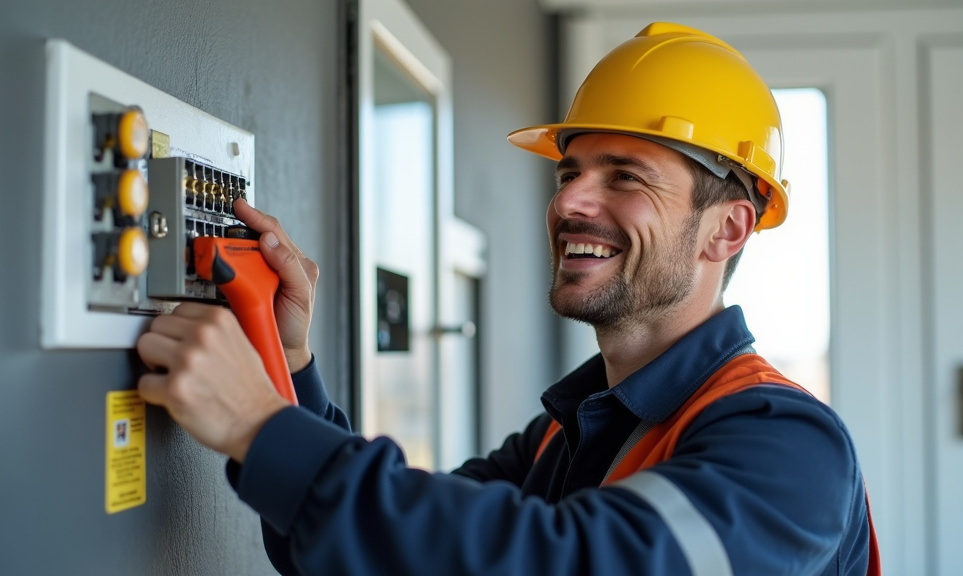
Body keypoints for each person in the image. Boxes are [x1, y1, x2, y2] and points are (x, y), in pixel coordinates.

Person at [137, 22, 880, 576]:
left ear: (726, 230)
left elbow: (576, 564)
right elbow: (354, 545)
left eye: (625, 175)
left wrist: (261, 428)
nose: (570, 202)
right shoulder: (565, 439)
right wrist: (284, 360)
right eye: (569, 173)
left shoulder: (787, 446)